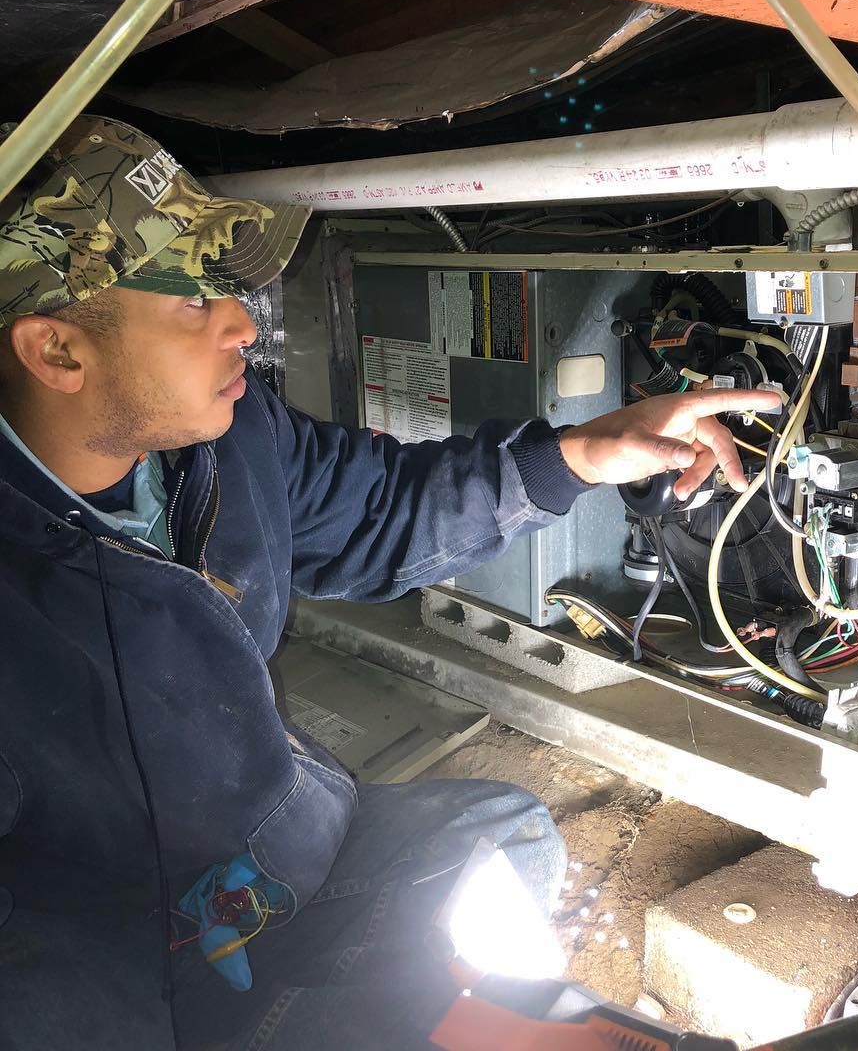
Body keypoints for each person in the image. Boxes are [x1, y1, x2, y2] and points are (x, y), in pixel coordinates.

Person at [0, 115, 778, 1049]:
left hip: (274, 857)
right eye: (192, 302)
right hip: (123, 969)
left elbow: (381, 512)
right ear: (58, 353)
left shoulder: (230, 441)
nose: (244, 324)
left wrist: (582, 453)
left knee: (508, 833)